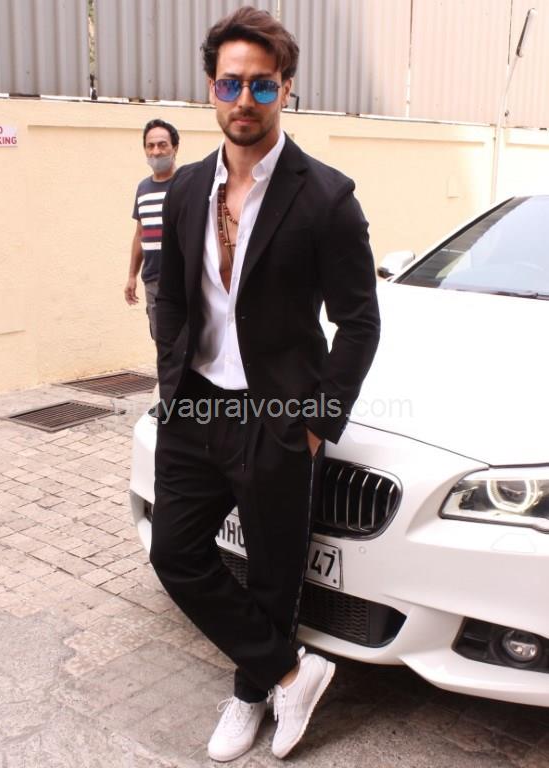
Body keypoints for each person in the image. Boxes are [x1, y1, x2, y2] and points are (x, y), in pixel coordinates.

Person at [150, 6, 380, 762]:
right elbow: (171, 296)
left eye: (261, 85)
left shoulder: (326, 198)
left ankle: (251, 697)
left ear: (285, 88)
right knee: (176, 554)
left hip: (279, 415)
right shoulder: (186, 189)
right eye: (230, 83)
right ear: (210, 89)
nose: (243, 99)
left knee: (275, 573)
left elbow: (358, 323)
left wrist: (315, 423)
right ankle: (289, 672)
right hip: (195, 407)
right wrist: (171, 371)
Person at [124, 118, 179, 341]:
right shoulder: (143, 188)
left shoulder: (187, 183)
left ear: (175, 148)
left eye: (162, 145)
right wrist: (131, 275)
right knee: (161, 341)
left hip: (182, 280)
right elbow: (140, 234)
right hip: (153, 281)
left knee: (187, 342)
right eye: (150, 145)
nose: (156, 151)